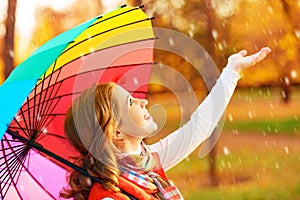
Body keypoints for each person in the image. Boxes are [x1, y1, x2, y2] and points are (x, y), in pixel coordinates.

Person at [60, 47, 271, 200]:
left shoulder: (146, 164)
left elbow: (199, 128)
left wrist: (232, 71)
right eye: (131, 102)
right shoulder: (109, 197)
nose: (143, 101)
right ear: (116, 132)